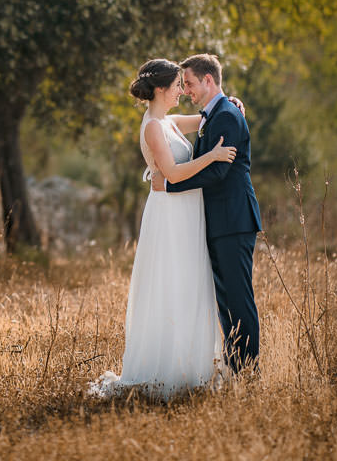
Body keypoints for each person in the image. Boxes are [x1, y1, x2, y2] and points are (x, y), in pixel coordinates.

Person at [89, 58, 235, 400]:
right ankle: (166, 370)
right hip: (170, 213)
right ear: (160, 90)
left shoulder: (167, 122)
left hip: (186, 212)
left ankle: (190, 365)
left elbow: (203, 117)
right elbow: (172, 173)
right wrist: (212, 156)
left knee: (189, 282)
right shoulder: (153, 127)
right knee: (171, 283)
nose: (182, 91)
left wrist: (232, 103)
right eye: (176, 87)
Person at [162, 53, 262, 373]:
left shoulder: (227, 115)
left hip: (234, 220)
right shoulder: (212, 114)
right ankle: (236, 369)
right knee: (225, 304)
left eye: (189, 83)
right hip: (218, 223)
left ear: (208, 80)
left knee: (239, 300)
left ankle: (248, 373)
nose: (187, 90)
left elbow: (218, 172)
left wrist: (171, 184)